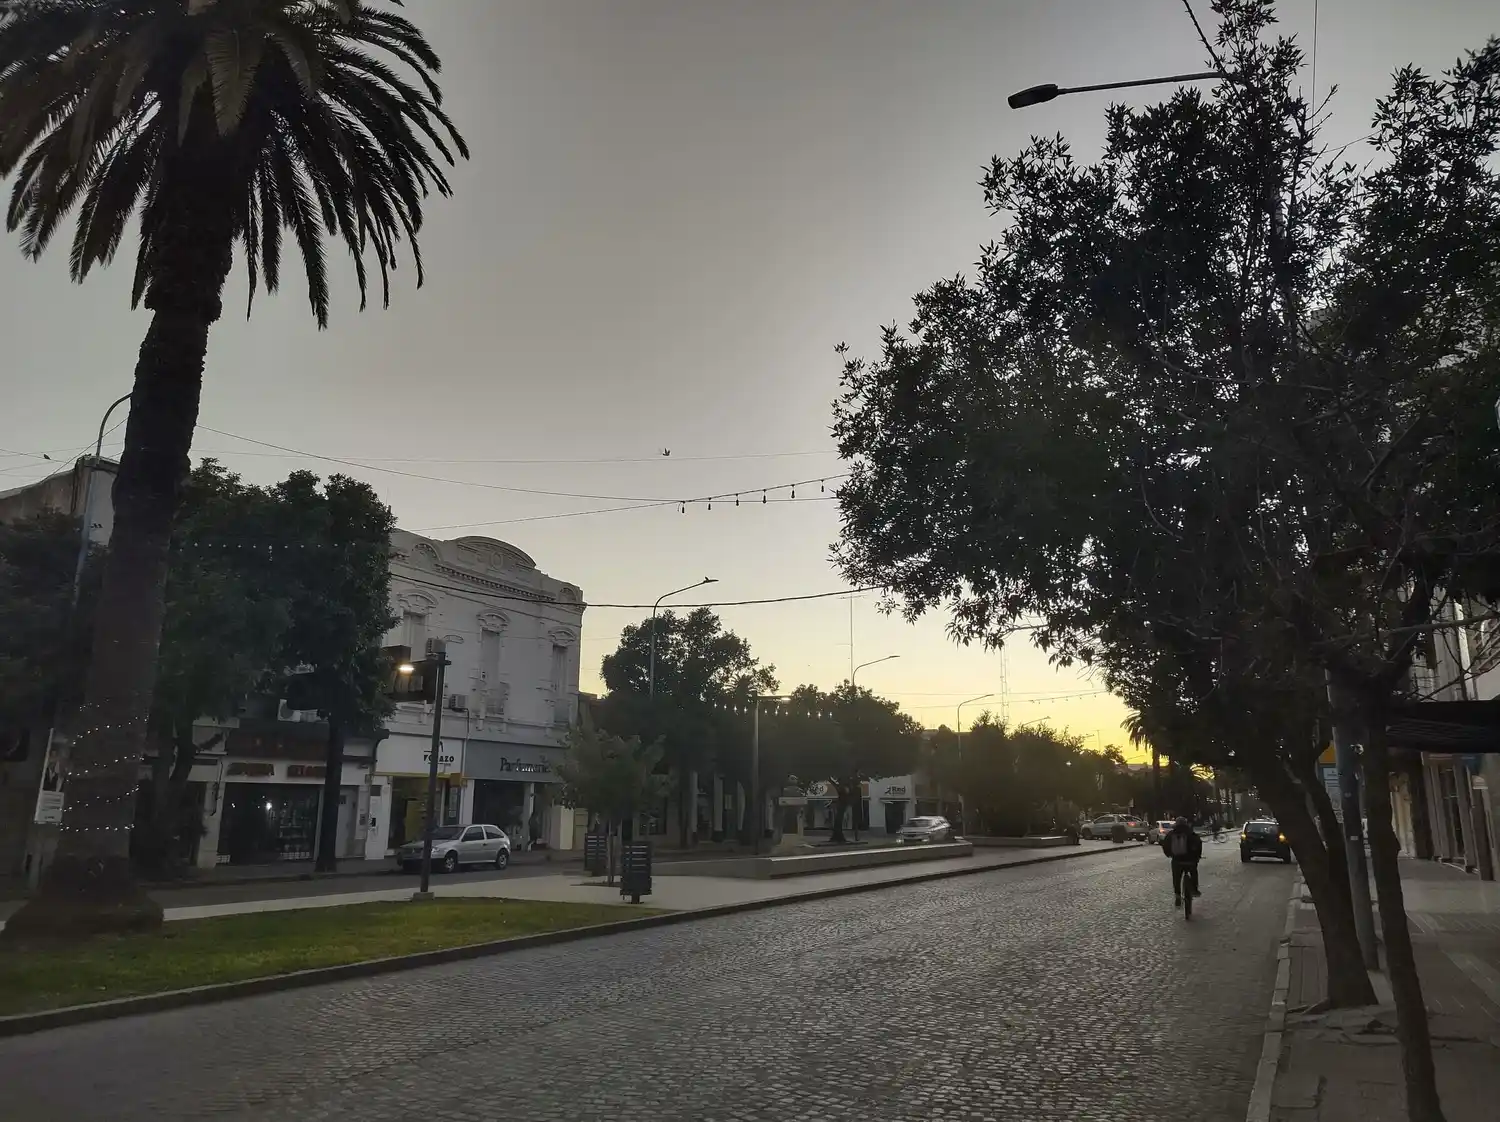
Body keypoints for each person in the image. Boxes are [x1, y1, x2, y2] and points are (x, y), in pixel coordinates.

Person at [1161, 816, 1203, 906]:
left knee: (1176, 878)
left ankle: (1177, 895)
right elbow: (1198, 844)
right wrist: (1197, 856)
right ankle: (1195, 890)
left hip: (1177, 861)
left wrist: (1169, 854)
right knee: (1193, 873)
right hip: (1190, 860)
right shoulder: (1191, 833)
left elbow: (1165, 845)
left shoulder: (1171, 834)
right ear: (1186, 823)